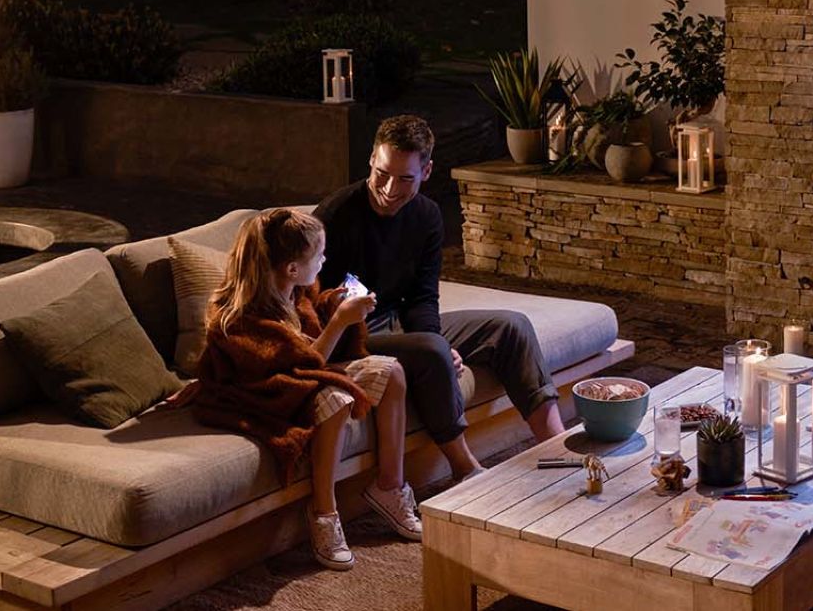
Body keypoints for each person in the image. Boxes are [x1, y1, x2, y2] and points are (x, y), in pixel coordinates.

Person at [314, 115, 564, 484]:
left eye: (404, 178)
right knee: (431, 349)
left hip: (399, 322)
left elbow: (423, 296)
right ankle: (466, 470)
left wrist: (441, 341)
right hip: (349, 336)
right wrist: (435, 346)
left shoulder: (427, 217)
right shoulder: (335, 217)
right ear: (371, 159)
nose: (388, 188)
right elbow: (311, 304)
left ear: (427, 170)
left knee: (512, 327)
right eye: (382, 173)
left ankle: (558, 450)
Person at [191, 208, 422, 571]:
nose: (325, 260)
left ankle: (389, 487)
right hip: (265, 393)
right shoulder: (237, 317)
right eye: (319, 255)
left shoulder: (295, 291)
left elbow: (310, 331)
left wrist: (334, 303)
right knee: (336, 399)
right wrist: (342, 321)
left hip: (304, 377)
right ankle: (324, 514)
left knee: (392, 372)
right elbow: (297, 367)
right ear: (291, 269)